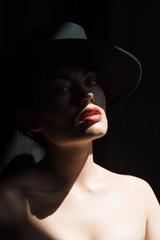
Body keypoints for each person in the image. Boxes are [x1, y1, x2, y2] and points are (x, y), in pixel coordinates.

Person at [0, 21, 160, 240]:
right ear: (30, 119)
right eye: (62, 88)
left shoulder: (140, 195)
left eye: (91, 81)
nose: (86, 94)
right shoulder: (8, 203)